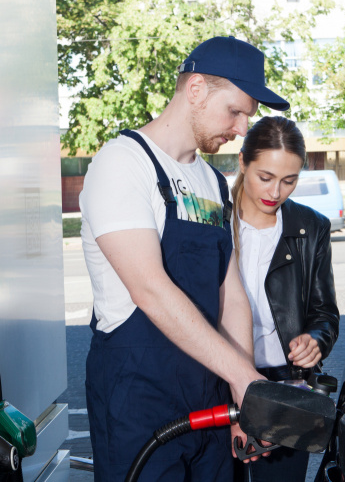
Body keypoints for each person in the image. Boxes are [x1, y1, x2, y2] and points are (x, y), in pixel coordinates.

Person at [79, 37, 290, 482]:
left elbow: (230, 293)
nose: (240, 129)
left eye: (247, 117)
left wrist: (242, 397)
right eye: (235, 111)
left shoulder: (212, 183)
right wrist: (244, 378)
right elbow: (150, 290)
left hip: (210, 399)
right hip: (139, 402)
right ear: (195, 89)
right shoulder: (123, 165)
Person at [230, 116, 340, 482]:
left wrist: (316, 341)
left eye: (289, 181)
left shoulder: (312, 228)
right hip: (218, 380)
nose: (275, 192)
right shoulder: (214, 222)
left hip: (285, 386)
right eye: (265, 177)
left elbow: (325, 313)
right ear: (243, 162)